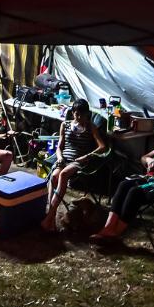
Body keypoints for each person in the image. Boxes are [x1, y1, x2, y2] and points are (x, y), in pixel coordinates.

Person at [41, 98, 107, 231]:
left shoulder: (90, 127)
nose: (80, 118)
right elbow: (59, 147)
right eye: (77, 114)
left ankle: (48, 217)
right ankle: (52, 216)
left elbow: (102, 146)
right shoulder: (64, 125)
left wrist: (86, 156)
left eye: (83, 115)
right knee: (54, 177)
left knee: (63, 175)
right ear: (73, 113)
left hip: (78, 161)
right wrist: (59, 157)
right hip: (64, 159)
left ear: (87, 114)